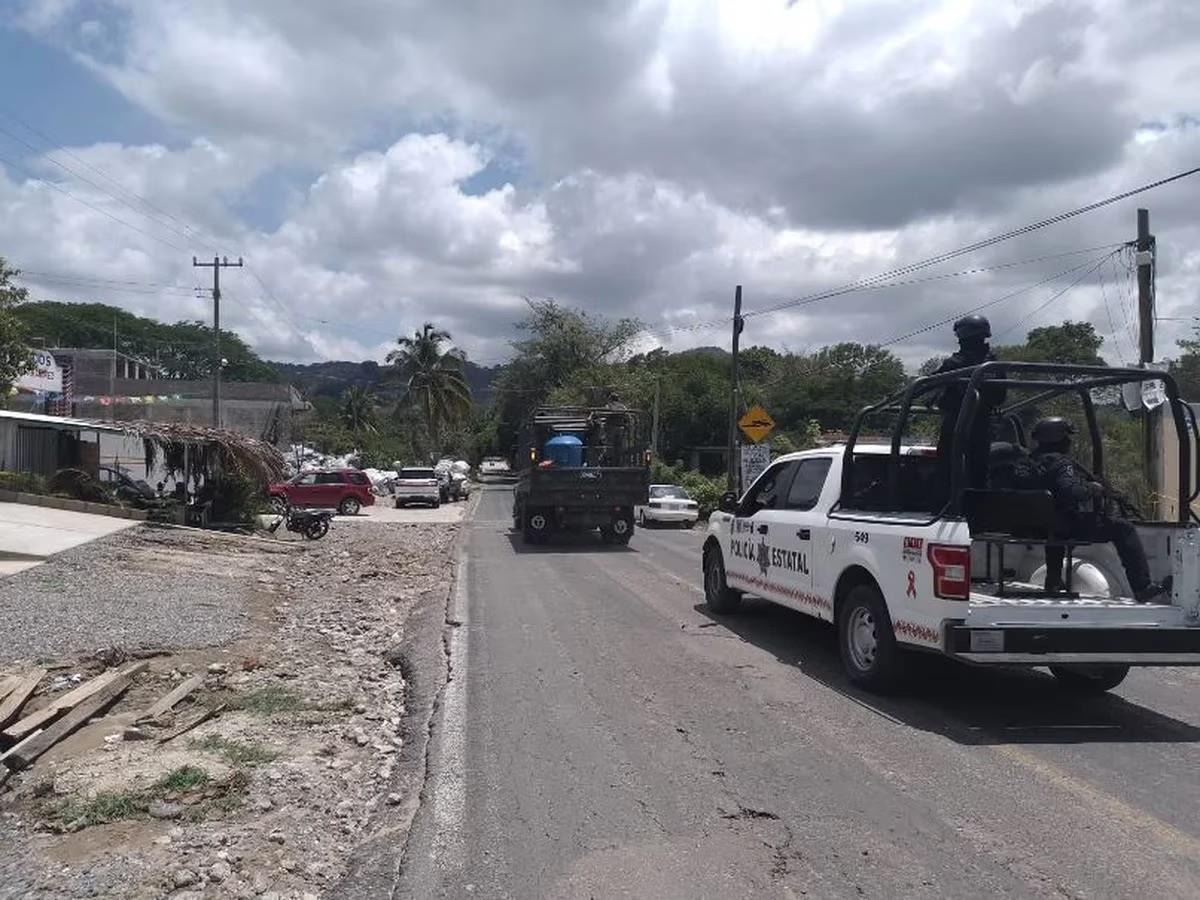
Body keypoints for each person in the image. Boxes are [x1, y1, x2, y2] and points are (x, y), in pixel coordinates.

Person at [1030, 417, 1171, 602]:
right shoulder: (1062, 464)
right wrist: (1093, 489)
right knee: (1123, 528)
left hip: (1033, 527)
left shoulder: (1028, 463)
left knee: (1055, 525)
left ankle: (1054, 580)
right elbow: (1071, 491)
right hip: (1062, 525)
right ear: (1060, 439)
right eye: (1067, 437)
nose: (1070, 442)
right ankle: (1142, 587)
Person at [935, 315, 1006, 490]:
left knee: (948, 465)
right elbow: (1000, 397)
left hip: (958, 422)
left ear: (962, 336)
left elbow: (929, 382)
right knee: (979, 468)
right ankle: (977, 505)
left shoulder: (955, 363)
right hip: (984, 423)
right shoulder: (994, 364)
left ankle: (945, 503)